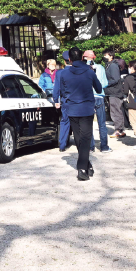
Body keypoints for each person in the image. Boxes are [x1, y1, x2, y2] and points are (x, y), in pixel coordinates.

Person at [53, 46, 104, 180]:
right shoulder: (89, 71)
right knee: (86, 137)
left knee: (78, 136)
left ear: (69, 59)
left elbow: (60, 90)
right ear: (82, 57)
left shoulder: (63, 73)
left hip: (71, 107)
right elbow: (99, 89)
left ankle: (85, 165)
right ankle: (83, 167)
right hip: (86, 107)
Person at [82, 49, 112, 152]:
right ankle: (104, 146)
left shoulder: (82, 69)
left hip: (87, 98)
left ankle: (91, 147)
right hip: (99, 96)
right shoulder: (100, 67)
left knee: (88, 123)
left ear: (84, 57)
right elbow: (105, 83)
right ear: (94, 57)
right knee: (102, 123)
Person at [104, 51, 128, 138]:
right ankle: (120, 130)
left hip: (115, 92)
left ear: (111, 56)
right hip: (112, 91)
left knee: (115, 111)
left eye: (105, 55)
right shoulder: (109, 65)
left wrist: (105, 83)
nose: (104, 56)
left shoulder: (113, 65)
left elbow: (116, 79)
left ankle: (119, 130)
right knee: (115, 111)